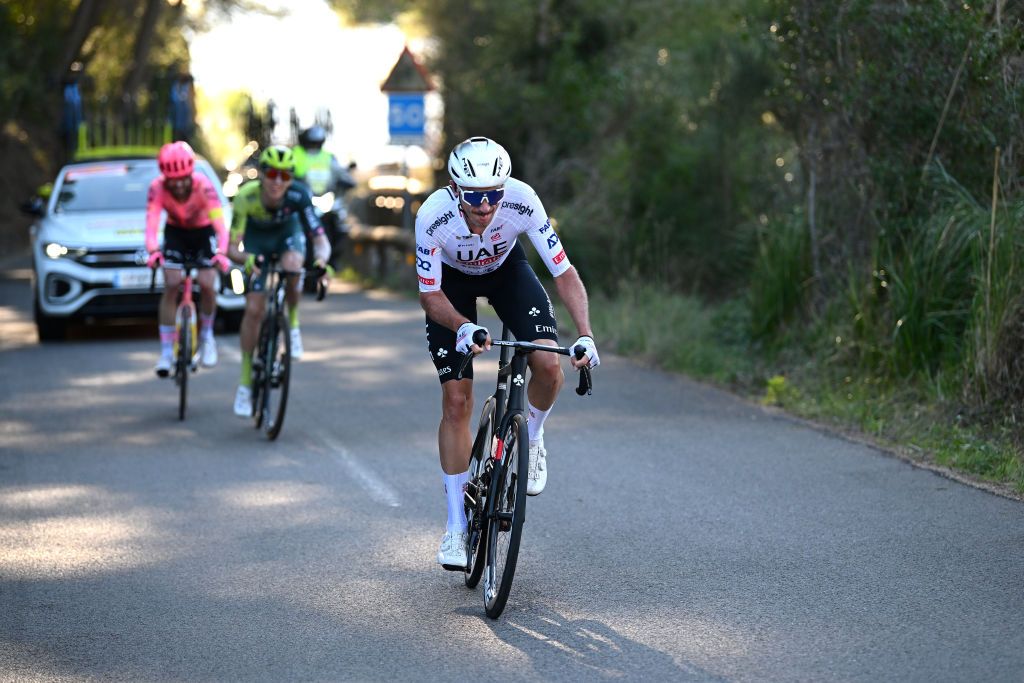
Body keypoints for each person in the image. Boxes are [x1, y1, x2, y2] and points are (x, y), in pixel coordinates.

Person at [415, 136, 600, 569]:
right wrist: (462, 326)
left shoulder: (522, 201)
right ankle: (456, 527)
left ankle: (532, 438)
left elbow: (564, 272)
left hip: (505, 273)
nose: (485, 206)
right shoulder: (432, 217)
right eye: (475, 196)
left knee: (550, 365)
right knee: (457, 400)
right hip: (452, 289)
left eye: (493, 194)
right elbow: (429, 295)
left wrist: (586, 334)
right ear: (457, 191)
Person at [227, 144, 331, 417]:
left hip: (287, 235)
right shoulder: (245, 197)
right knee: (254, 310)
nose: (277, 181)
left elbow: (320, 240)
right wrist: (247, 259)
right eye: (272, 174)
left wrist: (321, 261)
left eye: (285, 176)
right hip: (256, 243)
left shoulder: (299, 195)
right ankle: (246, 381)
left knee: (294, 267)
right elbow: (231, 248)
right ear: (262, 175)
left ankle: (293, 324)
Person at [145, 141, 231, 377]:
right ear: (164, 177)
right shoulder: (157, 188)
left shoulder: (204, 186)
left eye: (184, 177)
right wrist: (153, 251)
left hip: (203, 233)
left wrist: (221, 252)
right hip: (176, 234)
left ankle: (207, 336)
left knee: (206, 283)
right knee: (171, 283)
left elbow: (220, 226)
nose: (180, 184)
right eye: (174, 180)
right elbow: (151, 225)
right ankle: (165, 352)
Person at [292, 125, 357, 267]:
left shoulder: (328, 157)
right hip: (303, 200)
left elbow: (341, 173)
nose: (314, 146)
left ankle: (333, 260)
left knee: (342, 224)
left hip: (325, 199)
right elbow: (288, 171)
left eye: (317, 143)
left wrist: (347, 181)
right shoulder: (295, 155)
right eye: (311, 143)